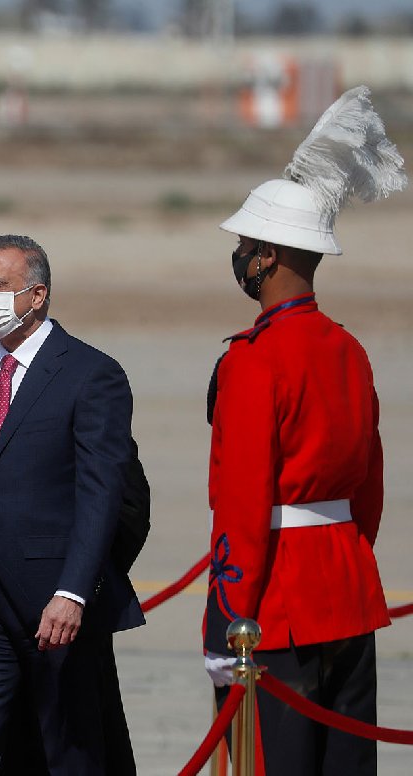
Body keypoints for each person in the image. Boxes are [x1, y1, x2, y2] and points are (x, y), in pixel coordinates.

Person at [203, 86, 406, 775]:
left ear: (265, 257)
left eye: (245, 246)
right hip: (347, 583)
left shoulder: (254, 361)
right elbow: (370, 487)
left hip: (276, 599)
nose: (239, 256)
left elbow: (242, 498)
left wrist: (228, 613)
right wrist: (343, 554)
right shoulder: (347, 349)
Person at [0, 235, 144, 775]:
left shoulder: (91, 373)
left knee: (69, 755)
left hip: (56, 609)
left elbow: (102, 494)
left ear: (36, 295)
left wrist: (73, 590)